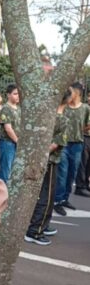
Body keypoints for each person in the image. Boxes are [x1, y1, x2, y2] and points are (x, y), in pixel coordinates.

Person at [25, 90, 70, 245]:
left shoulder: (43, 115)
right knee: (46, 197)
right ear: (68, 100)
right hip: (49, 161)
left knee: (43, 195)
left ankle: (42, 224)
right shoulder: (62, 119)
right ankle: (35, 231)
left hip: (41, 159)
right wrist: (42, 155)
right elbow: (55, 144)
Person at [53, 82, 90, 213]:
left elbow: (87, 124)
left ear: (78, 93)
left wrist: (78, 130)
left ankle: (65, 198)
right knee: (62, 173)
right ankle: (57, 200)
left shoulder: (85, 108)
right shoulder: (64, 107)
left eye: (71, 91)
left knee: (72, 173)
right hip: (63, 144)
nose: (69, 94)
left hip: (78, 145)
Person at [0, 84, 20, 182]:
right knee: (6, 171)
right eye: (15, 94)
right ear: (8, 95)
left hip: (16, 143)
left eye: (19, 94)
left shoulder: (19, 109)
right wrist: (18, 141)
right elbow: (8, 128)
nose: (18, 96)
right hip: (7, 143)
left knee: (14, 171)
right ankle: (2, 195)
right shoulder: (6, 109)